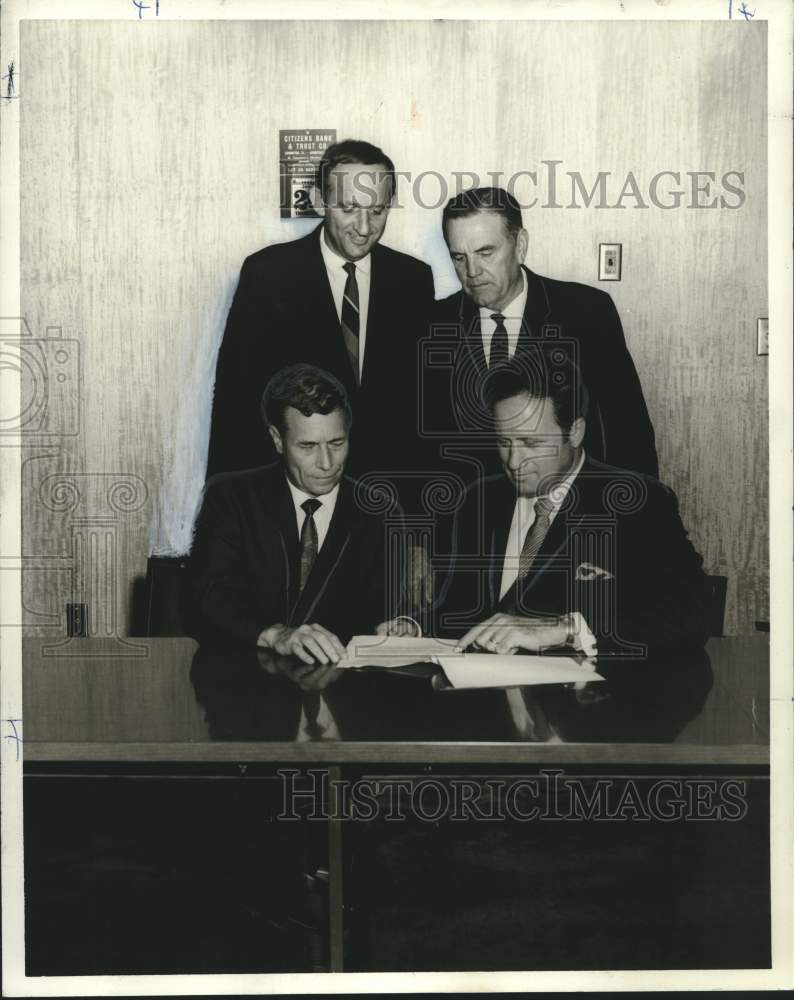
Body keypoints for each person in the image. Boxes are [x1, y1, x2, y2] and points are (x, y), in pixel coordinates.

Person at [436, 351, 709, 658]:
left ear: (576, 431)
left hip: (585, 698)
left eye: (531, 443)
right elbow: (455, 607)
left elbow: (689, 615)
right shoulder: (478, 499)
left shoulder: (638, 502)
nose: (513, 462)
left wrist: (567, 630)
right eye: (503, 441)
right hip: (480, 695)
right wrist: (412, 627)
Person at [206, 138, 435, 486]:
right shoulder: (268, 274)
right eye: (348, 208)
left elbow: (422, 408)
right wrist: (227, 513)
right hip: (289, 495)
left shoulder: (413, 279)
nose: (363, 227)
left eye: (377, 211)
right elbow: (235, 401)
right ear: (319, 200)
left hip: (383, 503)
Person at [424, 187, 658, 485]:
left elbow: (626, 431)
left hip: (569, 514)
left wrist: (637, 519)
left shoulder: (586, 312)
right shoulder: (431, 322)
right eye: (459, 257)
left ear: (520, 244)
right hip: (470, 519)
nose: (472, 271)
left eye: (485, 252)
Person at [188, 364, 415, 659]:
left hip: (341, 690)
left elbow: (389, 610)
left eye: (337, 443)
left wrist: (400, 626)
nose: (326, 463)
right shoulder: (231, 499)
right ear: (277, 439)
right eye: (307, 446)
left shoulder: (379, 512)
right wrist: (275, 635)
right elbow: (210, 596)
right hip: (245, 683)